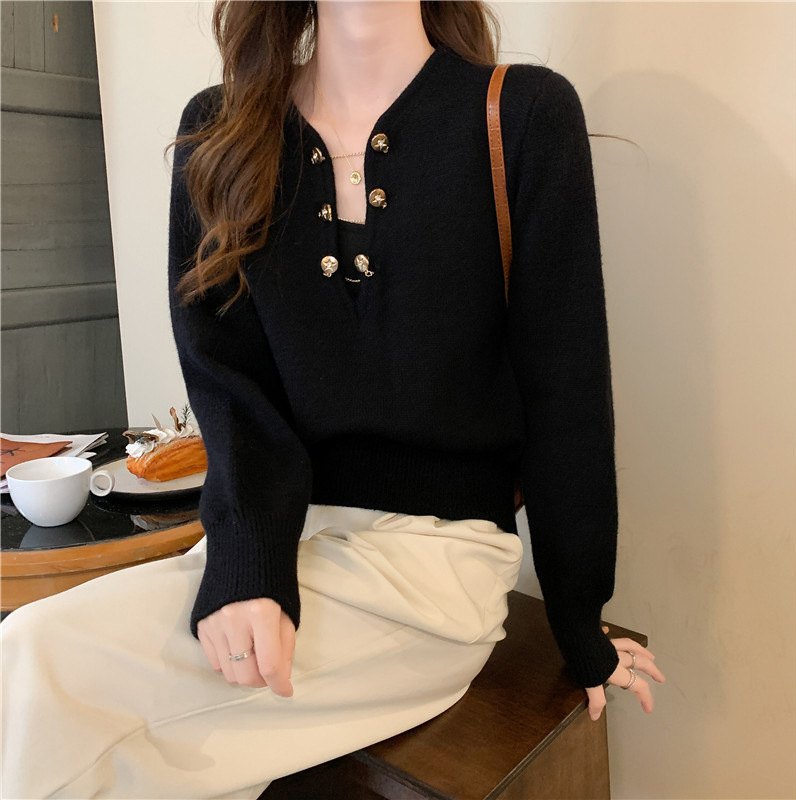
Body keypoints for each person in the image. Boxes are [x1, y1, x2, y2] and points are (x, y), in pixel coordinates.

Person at [0, 2, 666, 798]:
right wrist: (248, 562)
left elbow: (568, 393)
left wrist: (579, 619)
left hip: (432, 571)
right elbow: (227, 387)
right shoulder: (221, 131)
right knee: (44, 671)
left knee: (41, 670)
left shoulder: (522, 115)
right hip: (276, 542)